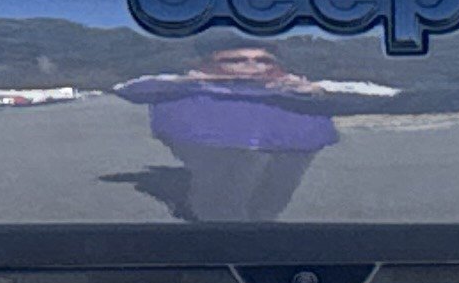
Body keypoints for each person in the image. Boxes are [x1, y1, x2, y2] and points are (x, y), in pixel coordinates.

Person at [114, 45, 350, 220]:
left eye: (263, 60)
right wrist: (185, 80)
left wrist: (319, 89)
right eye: (237, 60)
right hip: (213, 143)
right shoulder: (193, 84)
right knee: (221, 204)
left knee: (273, 201)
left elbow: (378, 94)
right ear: (212, 62)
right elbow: (127, 89)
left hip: (297, 145)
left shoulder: (294, 85)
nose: (252, 65)